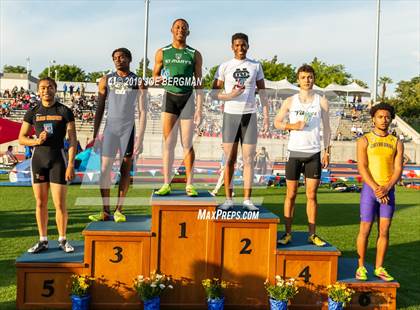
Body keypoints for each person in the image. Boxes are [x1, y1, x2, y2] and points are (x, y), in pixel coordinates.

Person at [274, 64, 331, 246]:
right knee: (290, 194)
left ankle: (312, 234)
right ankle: (287, 233)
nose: (307, 80)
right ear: (298, 80)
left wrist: (327, 150)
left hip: (313, 153)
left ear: (314, 78)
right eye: (303, 77)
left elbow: (327, 128)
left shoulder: (321, 101)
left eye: (310, 77)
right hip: (294, 154)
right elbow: (277, 122)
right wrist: (292, 126)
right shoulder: (290, 101)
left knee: (312, 195)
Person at [18, 77, 77, 253]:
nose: (46, 90)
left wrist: (71, 164)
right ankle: (43, 240)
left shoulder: (65, 111)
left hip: (58, 160)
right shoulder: (33, 112)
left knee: (60, 203)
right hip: (39, 160)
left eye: (50, 87)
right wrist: (36, 141)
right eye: (42, 87)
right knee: (40, 202)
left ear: (55, 89)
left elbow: (73, 139)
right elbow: (21, 138)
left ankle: (62, 239)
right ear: (38, 90)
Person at [211, 32, 269, 211]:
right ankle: (228, 199)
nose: (240, 48)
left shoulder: (256, 66)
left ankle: (247, 199)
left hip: (249, 116)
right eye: (236, 45)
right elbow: (213, 93)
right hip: (230, 116)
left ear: (248, 46)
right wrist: (230, 95)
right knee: (229, 160)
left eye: (243, 45)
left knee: (249, 160)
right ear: (231, 47)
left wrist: (266, 116)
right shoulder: (225, 66)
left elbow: (263, 92)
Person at [88, 48, 147, 222]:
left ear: (129, 59)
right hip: (110, 129)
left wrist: (141, 137)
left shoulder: (138, 81)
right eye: (115, 58)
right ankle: (105, 210)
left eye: (121, 57)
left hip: (128, 129)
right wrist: (95, 133)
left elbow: (143, 111)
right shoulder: (106, 80)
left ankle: (118, 210)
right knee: (104, 170)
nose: (118, 60)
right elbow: (99, 107)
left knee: (125, 170)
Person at [153, 18, 203, 197]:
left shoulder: (194, 54)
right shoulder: (162, 52)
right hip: (170, 99)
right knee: (169, 143)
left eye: (184, 27)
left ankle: (190, 184)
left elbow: (199, 82)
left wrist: (199, 108)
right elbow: (155, 76)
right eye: (177, 27)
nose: (180, 30)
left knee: (187, 144)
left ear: (188, 32)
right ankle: (166, 182)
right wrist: (158, 79)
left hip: (188, 99)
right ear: (172, 30)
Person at [355, 103, 403, 282]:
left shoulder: (396, 142)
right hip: (370, 191)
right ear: (373, 119)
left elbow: (398, 168)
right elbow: (362, 166)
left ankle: (379, 268)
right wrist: (376, 187)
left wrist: (387, 187)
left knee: (384, 231)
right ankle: (360, 267)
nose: (384, 120)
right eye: (380, 117)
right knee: (365, 229)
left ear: (391, 119)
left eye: (387, 117)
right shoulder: (364, 140)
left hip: (388, 191)